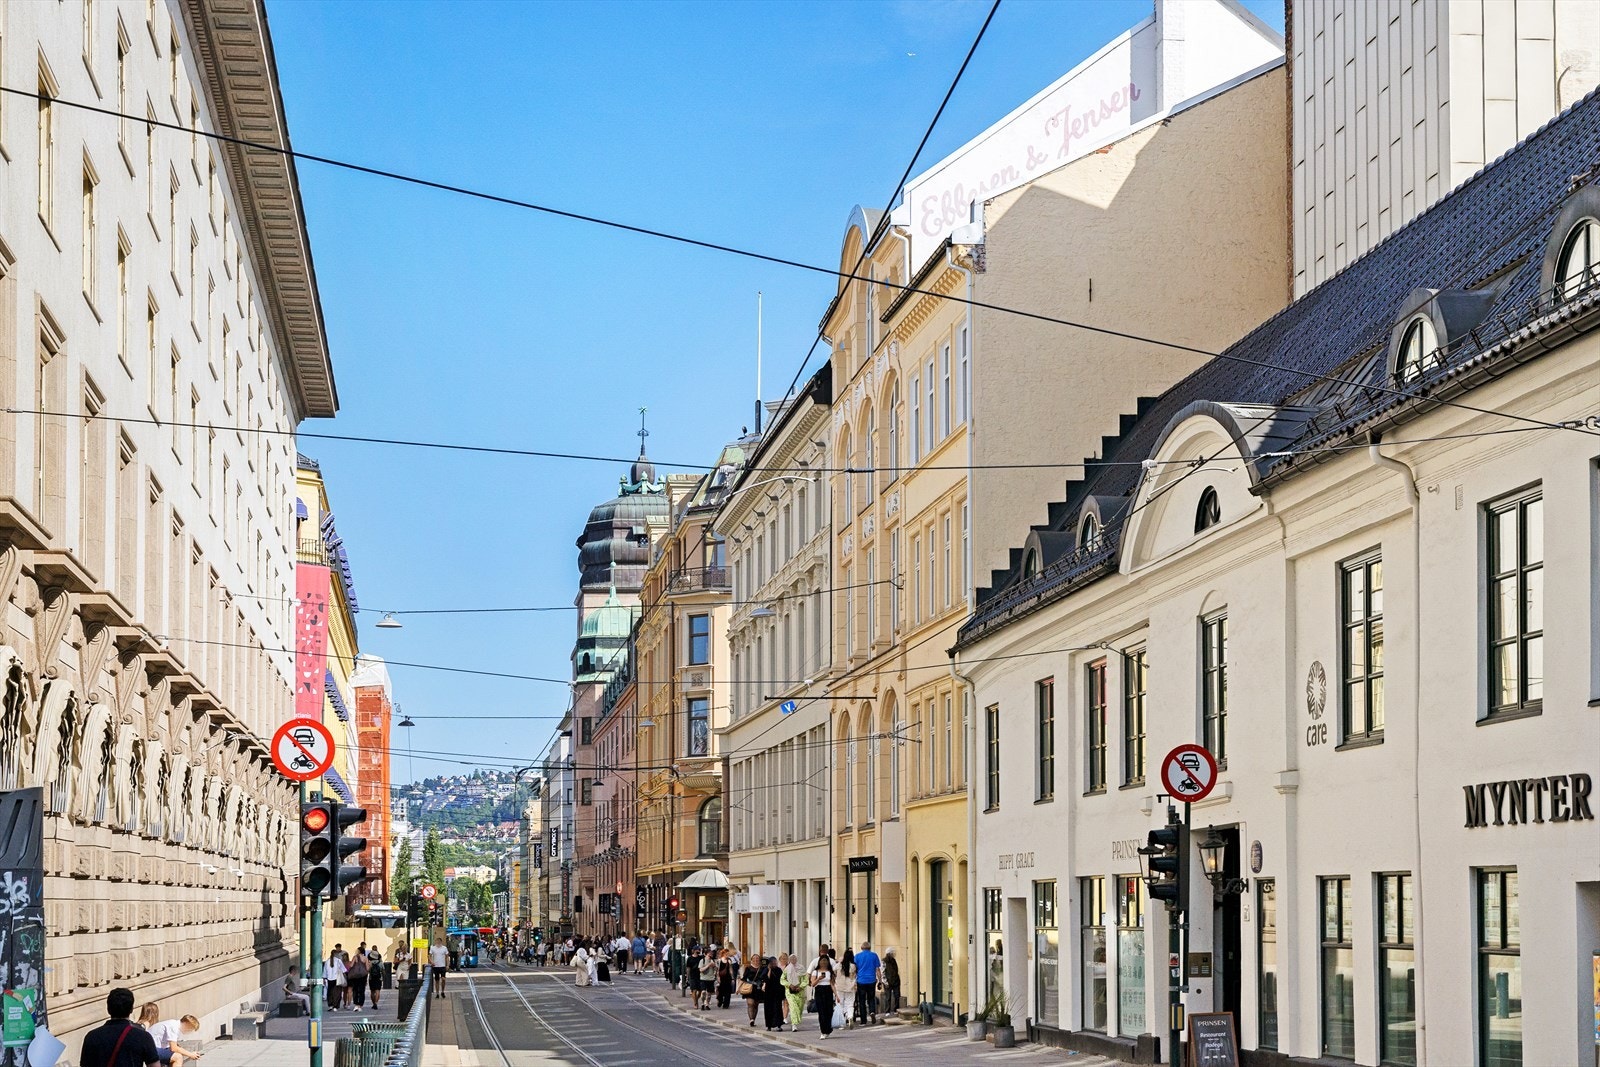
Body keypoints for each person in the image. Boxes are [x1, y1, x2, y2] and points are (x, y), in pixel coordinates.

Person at [82, 989, 161, 1067]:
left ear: (108, 1009)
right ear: (131, 1010)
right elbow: (154, 1065)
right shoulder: (143, 1037)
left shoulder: (92, 1037)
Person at [808, 953, 836, 1039]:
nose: (823, 963)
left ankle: (828, 1029)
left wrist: (836, 994)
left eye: (825, 961)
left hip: (828, 991)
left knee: (829, 1011)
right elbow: (812, 984)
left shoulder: (830, 972)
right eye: (822, 961)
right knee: (822, 1012)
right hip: (819, 991)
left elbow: (832, 984)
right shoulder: (815, 972)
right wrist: (818, 979)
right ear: (819, 962)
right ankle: (823, 1031)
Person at [853, 940, 881, 1025]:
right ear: (870, 948)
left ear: (861, 948)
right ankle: (872, 1011)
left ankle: (863, 1020)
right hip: (871, 980)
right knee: (871, 998)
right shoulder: (874, 955)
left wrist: (854, 980)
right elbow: (877, 969)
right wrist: (880, 980)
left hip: (861, 980)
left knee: (861, 1000)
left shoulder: (857, 956)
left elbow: (854, 969)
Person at [781, 953, 805, 1033]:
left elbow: (806, 979)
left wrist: (801, 987)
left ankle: (796, 1021)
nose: (793, 960)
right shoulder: (787, 969)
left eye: (794, 959)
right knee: (793, 1007)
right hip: (790, 992)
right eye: (791, 959)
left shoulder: (801, 968)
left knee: (799, 1007)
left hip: (800, 992)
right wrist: (789, 985)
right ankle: (794, 1024)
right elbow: (782, 980)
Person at [761, 957, 786, 1031]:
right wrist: (769, 970)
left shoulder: (779, 970)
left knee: (777, 1008)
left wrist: (783, 994)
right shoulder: (766, 969)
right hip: (769, 993)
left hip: (777, 992)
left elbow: (782, 981)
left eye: (775, 962)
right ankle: (769, 1025)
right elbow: (766, 979)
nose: (775, 964)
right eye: (773, 963)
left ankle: (779, 1025)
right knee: (768, 1009)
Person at [835, 949, 856, 1030]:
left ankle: (842, 1022)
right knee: (850, 1003)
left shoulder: (839, 965)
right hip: (850, 987)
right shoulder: (853, 966)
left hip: (840, 987)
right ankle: (850, 1016)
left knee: (840, 1004)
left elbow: (833, 970)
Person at [739, 954, 763, 1026]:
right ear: (751, 960)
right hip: (750, 988)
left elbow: (765, 977)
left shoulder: (762, 968)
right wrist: (738, 988)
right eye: (754, 958)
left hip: (758, 988)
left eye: (757, 959)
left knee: (756, 1005)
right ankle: (751, 1019)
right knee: (750, 1003)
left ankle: (753, 1020)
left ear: (759, 960)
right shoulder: (748, 968)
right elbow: (744, 978)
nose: (756, 960)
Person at [346, 946, 369, 1011]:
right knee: (362, 990)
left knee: (355, 990)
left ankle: (356, 1004)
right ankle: (360, 1005)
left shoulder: (355, 957)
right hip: (363, 976)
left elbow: (351, 965)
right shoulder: (365, 958)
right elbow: (367, 968)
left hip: (355, 976)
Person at [881, 947, 901, 1016]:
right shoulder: (884, 961)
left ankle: (896, 1009)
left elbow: (896, 970)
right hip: (888, 981)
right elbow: (882, 972)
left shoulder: (894, 960)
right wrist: (885, 982)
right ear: (889, 954)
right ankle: (887, 1011)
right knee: (888, 997)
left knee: (897, 995)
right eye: (892, 953)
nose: (894, 954)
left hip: (895, 980)